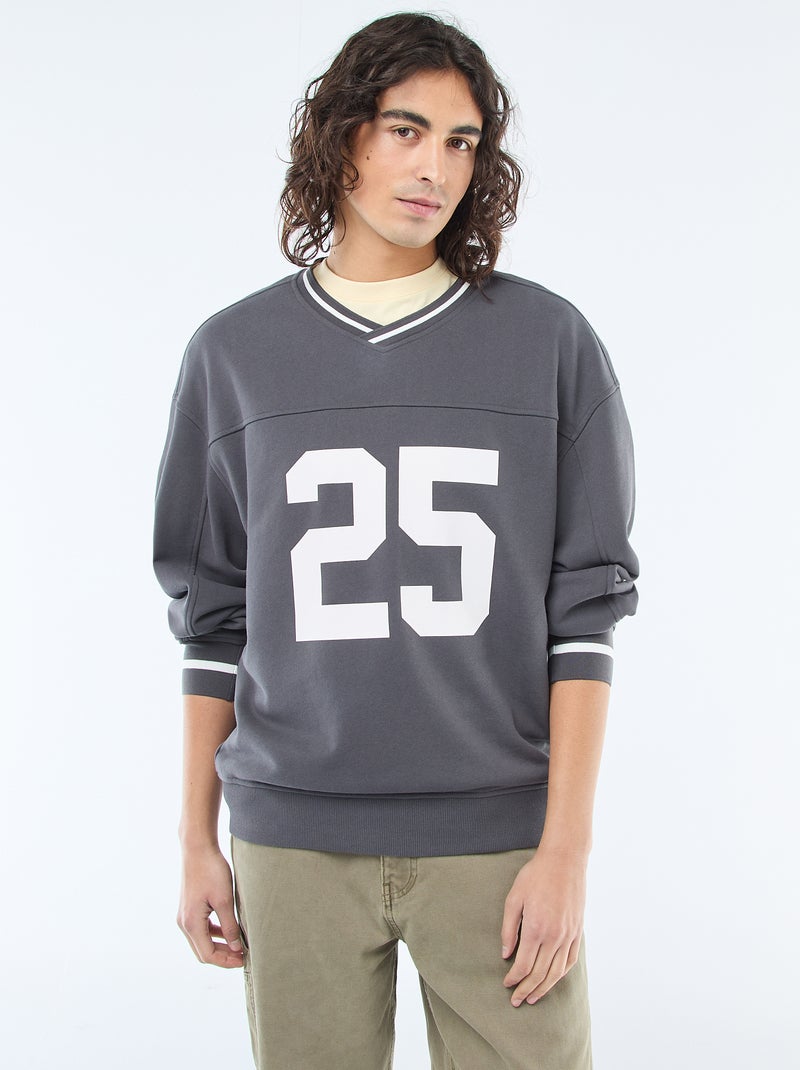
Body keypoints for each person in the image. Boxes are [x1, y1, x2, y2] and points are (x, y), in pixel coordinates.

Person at [152, 11, 640, 1069]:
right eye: (404, 129)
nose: (434, 168)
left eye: (461, 141)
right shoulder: (233, 355)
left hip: (498, 844)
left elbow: (585, 615)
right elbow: (213, 618)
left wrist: (565, 850)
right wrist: (195, 838)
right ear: (340, 136)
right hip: (291, 842)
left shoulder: (548, 344)